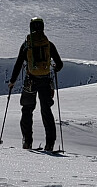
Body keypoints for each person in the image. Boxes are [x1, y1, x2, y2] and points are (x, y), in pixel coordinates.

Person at [8, 17, 63, 150]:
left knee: (27, 110)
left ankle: (27, 141)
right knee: (46, 111)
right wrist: (54, 68)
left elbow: (18, 64)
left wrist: (12, 81)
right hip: (45, 80)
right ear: (42, 27)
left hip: (30, 81)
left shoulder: (26, 45)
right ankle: (50, 143)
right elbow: (60, 64)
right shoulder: (48, 44)